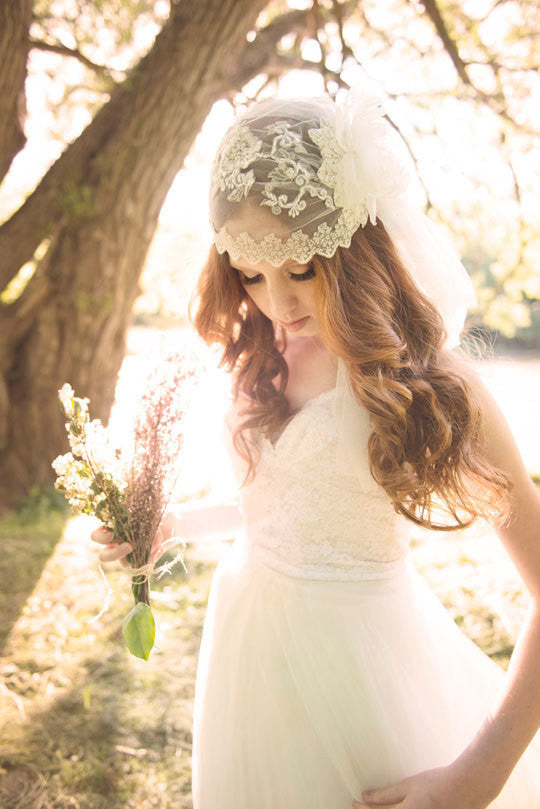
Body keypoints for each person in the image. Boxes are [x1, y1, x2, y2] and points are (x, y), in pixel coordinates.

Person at [91, 81, 540, 808]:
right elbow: (277, 507)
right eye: (250, 273)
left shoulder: (425, 379)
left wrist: (478, 772)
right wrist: (169, 527)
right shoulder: (259, 351)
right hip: (247, 658)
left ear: (353, 247)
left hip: (363, 679)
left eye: (301, 269)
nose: (278, 303)